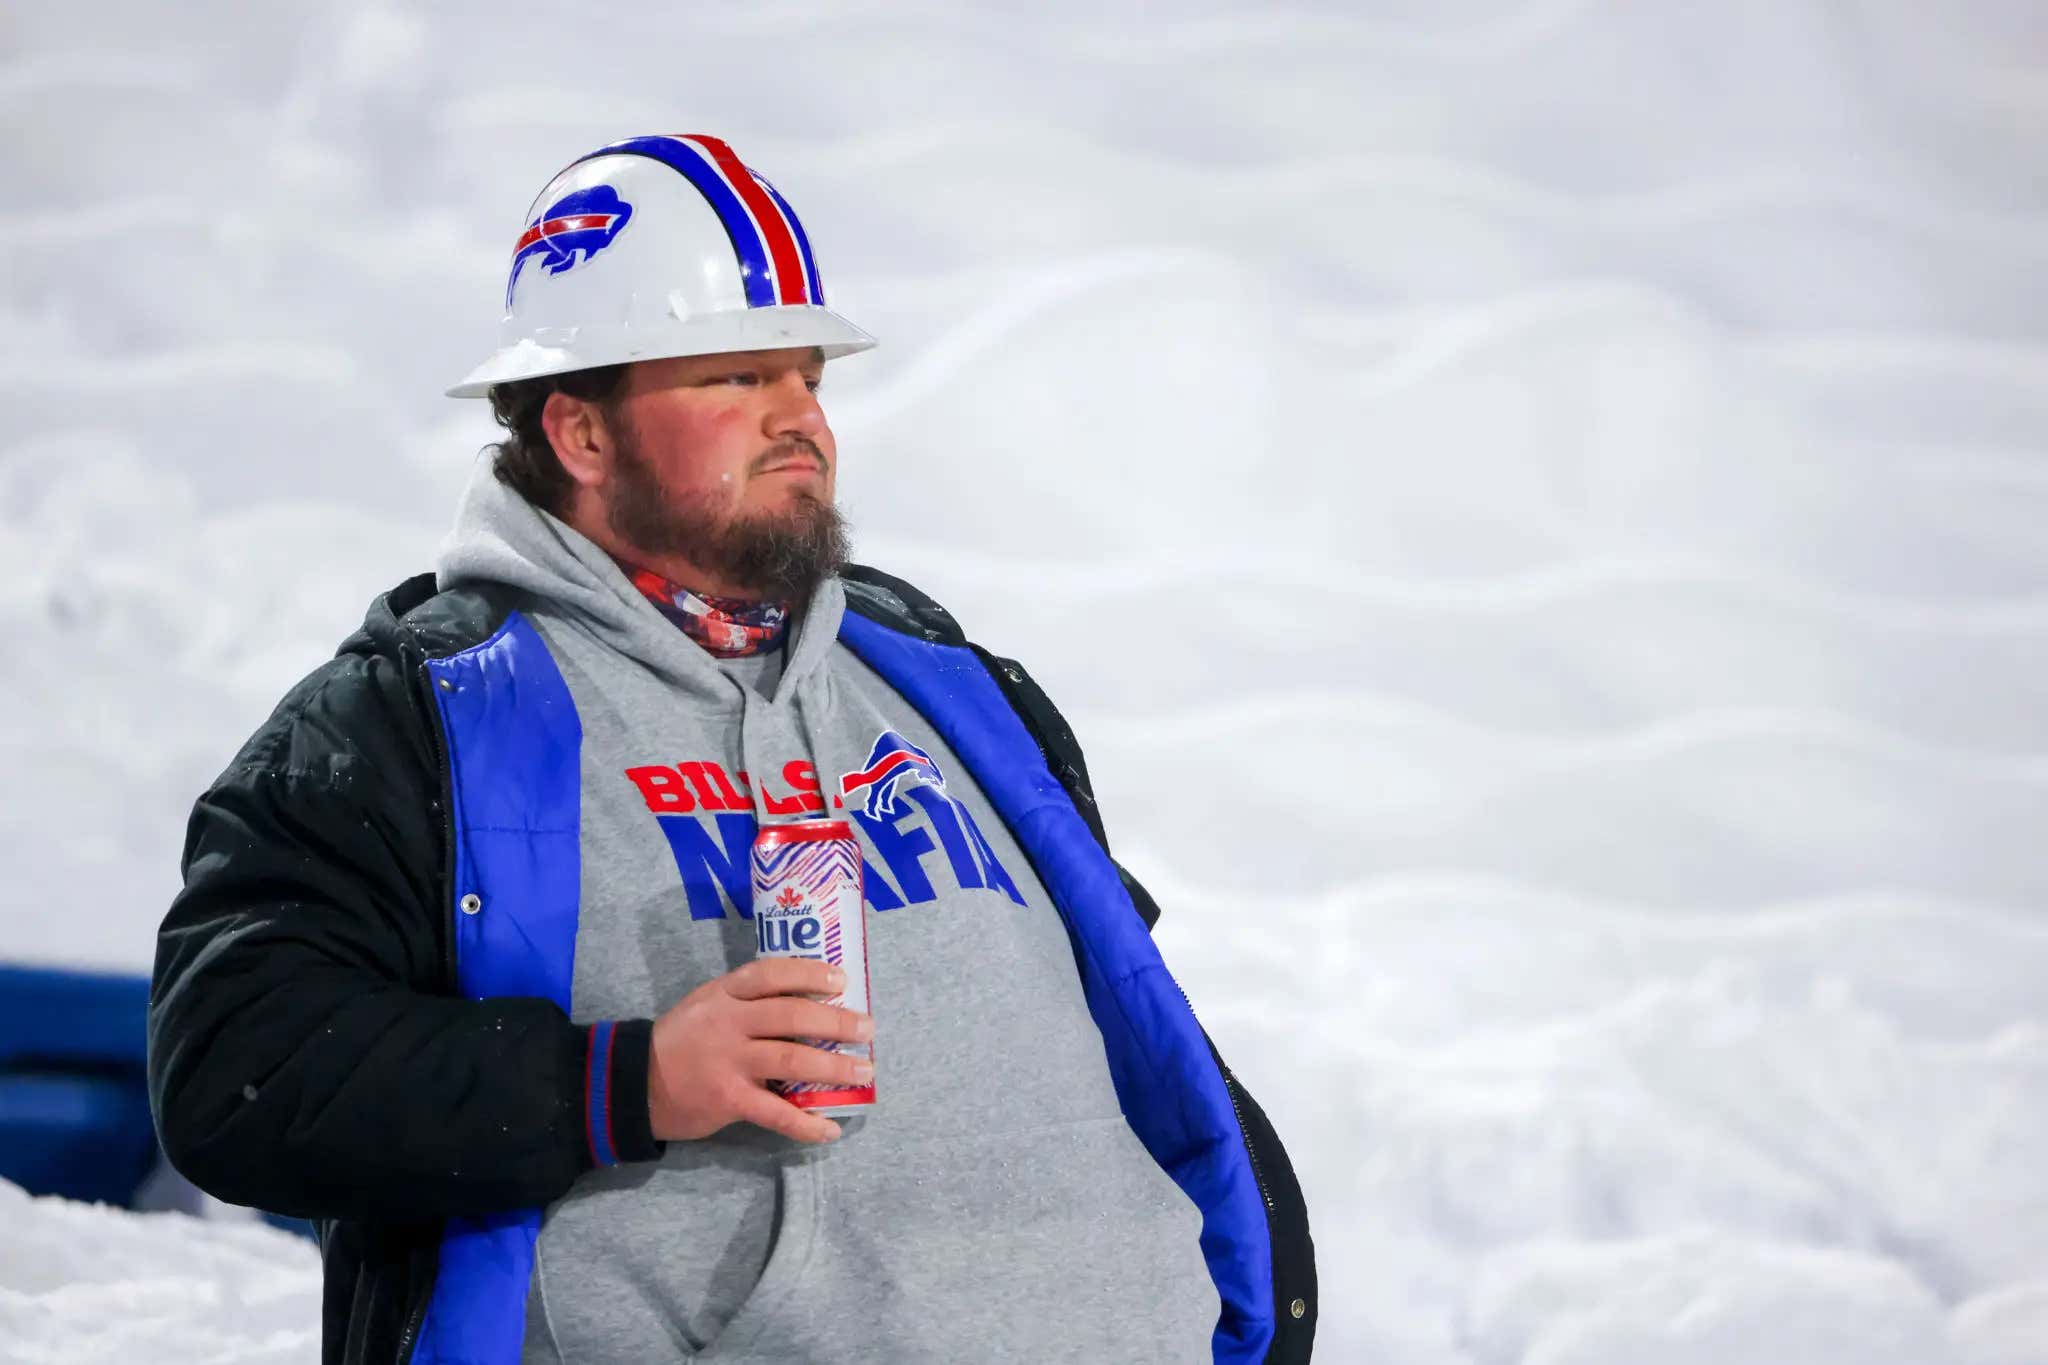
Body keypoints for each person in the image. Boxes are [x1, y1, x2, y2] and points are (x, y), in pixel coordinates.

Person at [148, 133, 1316, 1364]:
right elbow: (236, 1073)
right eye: (736, 380)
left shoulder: (934, 676)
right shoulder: (409, 720)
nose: (800, 420)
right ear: (581, 435)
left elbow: (1123, 1019)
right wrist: (625, 1084)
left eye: (806, 377)